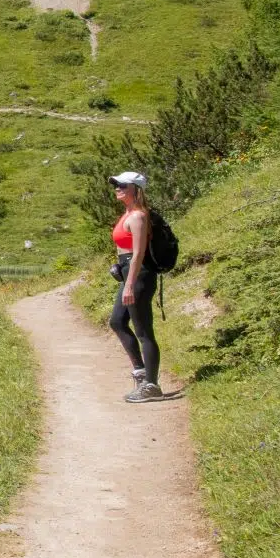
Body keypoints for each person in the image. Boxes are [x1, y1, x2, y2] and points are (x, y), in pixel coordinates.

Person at [108, 171, 163, 402]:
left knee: (143, 330)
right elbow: (127, 249)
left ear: (136, 190)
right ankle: (141, 373)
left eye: (122, 185)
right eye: (116, 184)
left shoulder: (138, 216)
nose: (117, 188)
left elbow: (139, 252)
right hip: (129, 271)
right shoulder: (127, 214)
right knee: (117, 321)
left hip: (139, 275)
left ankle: (152, 386)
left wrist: (129, 284)